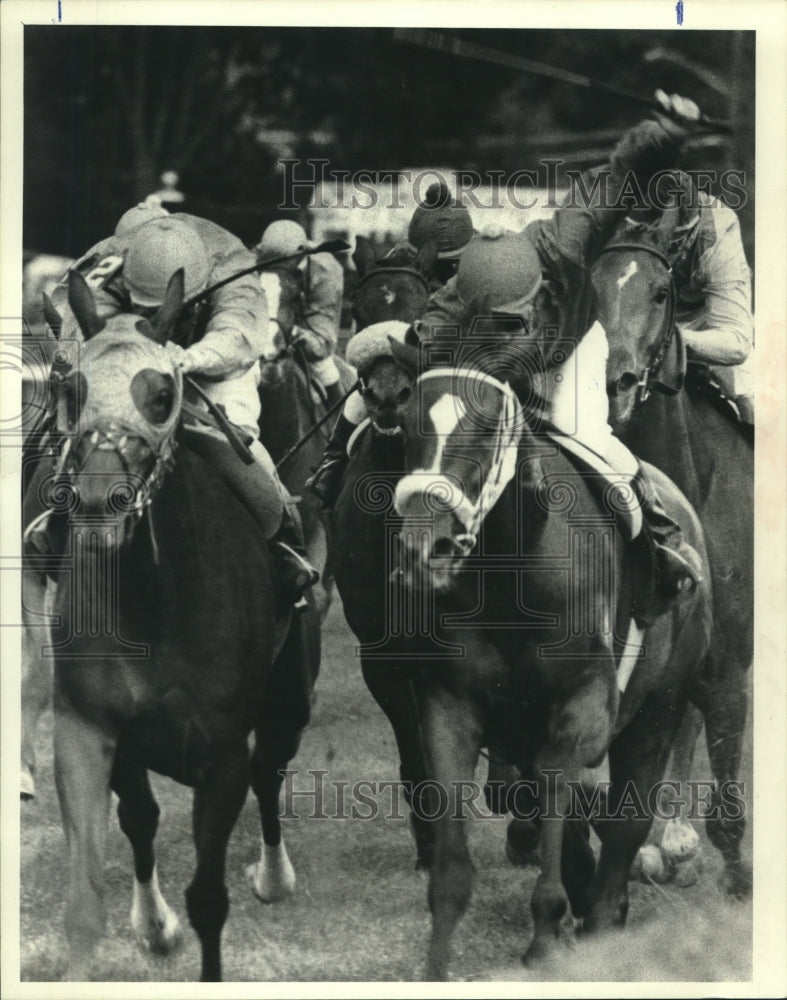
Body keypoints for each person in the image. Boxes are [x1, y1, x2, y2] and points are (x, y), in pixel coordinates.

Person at [34, 212, 319, 605]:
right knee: (80, 429)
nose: (155, 317)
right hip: (135, 357)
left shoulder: (233, 270)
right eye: (142, 307)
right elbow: (70, 310)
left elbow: (239, 338)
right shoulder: (115, 258)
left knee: (241, 446)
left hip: (213, 368)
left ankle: (283, 545)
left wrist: (188, 357)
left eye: (164, 310)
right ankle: (50, 524)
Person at [306, 184, 475, 508]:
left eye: (450, 264)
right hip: (404, 365)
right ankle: (333, 462)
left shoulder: (477, 268)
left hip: (458, 364)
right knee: (358, 398)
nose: (444, 271)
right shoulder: (398, 263)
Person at [256, 219, 345, 396]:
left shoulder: (325, 271)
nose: (279, 267)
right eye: (272, 261)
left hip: (312, 317)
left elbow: (321, 340)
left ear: (301, 256)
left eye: (285, 261)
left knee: (321, 364)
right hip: (272, 318)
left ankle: (340, 415)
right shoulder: (256, 259)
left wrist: (296, 332)